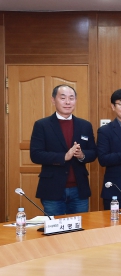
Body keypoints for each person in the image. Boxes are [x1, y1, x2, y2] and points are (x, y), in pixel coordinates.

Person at [29, 85, 97, 215]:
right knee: (54, 227)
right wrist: (63, 157)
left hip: (79, 189)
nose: (67, 102)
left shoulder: (85, 125)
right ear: (53, 100)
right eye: (63, 98)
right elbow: (36, 154)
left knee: (80, 225)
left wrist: (82, 155)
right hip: (52, 188)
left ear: (75, 101)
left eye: (71, 98)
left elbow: (93, 152)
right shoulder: (42, 125)